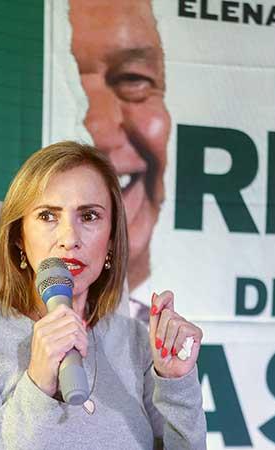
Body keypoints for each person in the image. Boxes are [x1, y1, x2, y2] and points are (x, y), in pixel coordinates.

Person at [0, 141, 205, 449]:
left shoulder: (136, 341)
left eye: (89, 216)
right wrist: (37, 385)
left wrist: (176, 384)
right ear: (19, 236)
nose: (70, 238)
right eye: (48, 216)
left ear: (111, 239)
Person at [69, 0, 170, 321]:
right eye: (47, 216)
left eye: (132, 78)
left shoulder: (142, 336)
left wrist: (172, 359)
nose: (100, 129)